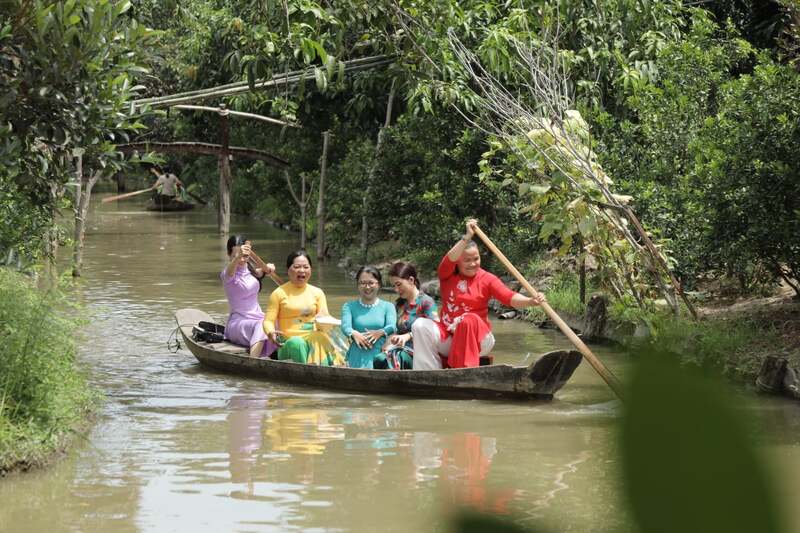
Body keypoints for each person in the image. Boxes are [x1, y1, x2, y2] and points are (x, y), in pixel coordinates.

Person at [411, 219, 546, 369]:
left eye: (476, 259)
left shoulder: (487, 279)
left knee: (468, 319)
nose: (473, 264)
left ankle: (464, 370)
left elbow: (509, 297)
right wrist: (467, 236)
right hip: (449, 337)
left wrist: (530, 301)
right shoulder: (446, 275)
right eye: (467, 260)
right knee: (420, 325)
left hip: (479, 340)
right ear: (457, 262)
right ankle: (428, 372)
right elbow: (448, 260)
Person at [263, 250, 344, 366]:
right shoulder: (278, 293)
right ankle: (307, 371)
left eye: (306, 267)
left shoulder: (318, 293)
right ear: (288, 270)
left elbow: (325, 318)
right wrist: (270, 332)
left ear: (310, 270)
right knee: (297, 342)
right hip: (287, 343)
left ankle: (329, 367)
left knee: (321, 337)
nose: (302, 270)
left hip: (312, 339)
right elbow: (268, 321)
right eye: (297, 267)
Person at [221, 235, 277, 357]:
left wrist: (269, 267)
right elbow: (230, 271)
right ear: (229, 254)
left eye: (245, 256)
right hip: (238, 324)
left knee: (278, 320)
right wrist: (238, 256)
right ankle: (254, 360)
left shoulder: (252, 272)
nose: (241, 259)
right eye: (236, 255)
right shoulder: (227, 274)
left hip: (258, 318)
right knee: (262, 325)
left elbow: (263, 271)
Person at [375, 261, 438, 370]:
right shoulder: (399, 305)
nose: (396, 289)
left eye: (398, 284)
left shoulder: (426, 302)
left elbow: (436, 330)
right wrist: (388, 343)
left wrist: (408, 336)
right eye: (394, 286)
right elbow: (394, 330)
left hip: (420, 353)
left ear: (411, 280)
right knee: (379, 359)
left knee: (397, 358)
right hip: (398, 349)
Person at [341, 266, 397, 369]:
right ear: (358, 285)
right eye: (363, 283)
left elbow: (392, 326)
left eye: (371, 283)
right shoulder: (348, 306)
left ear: (379, 284)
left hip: (381, 354)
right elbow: (345, 327)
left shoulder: (388, 306)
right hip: (357, 353)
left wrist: (380, 332)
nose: (367, 287)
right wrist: (354, 333)